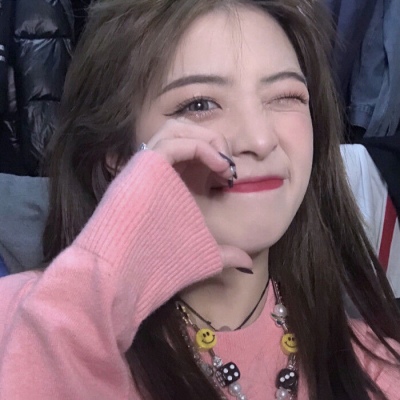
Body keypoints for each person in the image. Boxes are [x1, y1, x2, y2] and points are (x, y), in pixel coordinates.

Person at [0, 0, 399, 399]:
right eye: (200, 105)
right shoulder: (25, 320)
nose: (260, 140)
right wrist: (93, 295)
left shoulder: (380, 370)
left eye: (285, 96)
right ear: (117, 153)